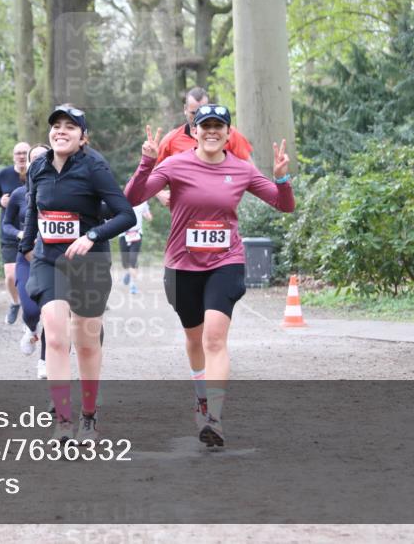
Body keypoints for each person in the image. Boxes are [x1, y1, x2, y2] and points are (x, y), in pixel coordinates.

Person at [125, 104, 294, 449]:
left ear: (229, 134)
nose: (212, 132)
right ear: (195, 131)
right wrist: (147, 162)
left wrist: (281, 178)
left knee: (214, 339)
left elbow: (283, 204)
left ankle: (214, 417)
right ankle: (201, 397)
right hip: (181, 266)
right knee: (194, 338)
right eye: (206, 126)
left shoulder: (242, 168)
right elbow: (132, 198)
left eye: (219, 126)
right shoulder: (174, 164)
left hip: (225, 262)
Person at [20, 106, 135, 443]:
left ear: (83, 136)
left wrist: (92, 236)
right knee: (55, 335)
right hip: (49, 260)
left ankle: (88, 415)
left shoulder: (94, 166)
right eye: (56, 126)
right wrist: (27, 245)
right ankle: (63, 419)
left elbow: (125, 215)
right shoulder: (38, 165)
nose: (61, 131)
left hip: (89, 263)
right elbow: (32, 208)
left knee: (86, 344)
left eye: (70, 127)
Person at [154, 87, 253, 208]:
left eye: (202, 111)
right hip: (185, 213)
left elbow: (251, 172)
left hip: (225, 209)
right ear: (185, 109)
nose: (198, 117)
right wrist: (159, 194)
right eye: (194, 113)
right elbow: (151, 173)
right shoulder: (171, 140)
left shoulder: (230, 134)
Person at [2, 144, 51, 378]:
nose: (39, 162)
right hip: (27, 257)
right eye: (34, 159)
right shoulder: (20, 194)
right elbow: (7, 224)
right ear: (28, 165)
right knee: (31, 311)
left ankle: (44, 362)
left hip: (53, 260)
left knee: (52, 314)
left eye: (44, 157)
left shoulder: (63, 192)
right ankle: (31, 329)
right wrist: (21, 234)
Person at [0, 142, 31, 324]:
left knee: (32, 275)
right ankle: (15, 303)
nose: (21, 156)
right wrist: (0, 201)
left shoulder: (36, 173)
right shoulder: (4, 174)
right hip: (9, 230)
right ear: (13, 156)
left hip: (33, 231)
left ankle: (32, 310)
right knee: (11, 275)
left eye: (24, 153)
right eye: (18, 153)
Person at [118, 198, 153, 295]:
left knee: (133, 260)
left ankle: (133, 285)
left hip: (137, 234)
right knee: (125, 262)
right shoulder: (121, 199)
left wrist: (148, 216)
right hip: (123, 234)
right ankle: (129, 272)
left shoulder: (142, 201)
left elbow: (148, 215)